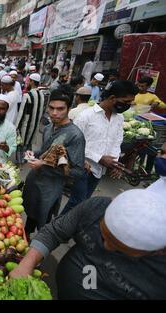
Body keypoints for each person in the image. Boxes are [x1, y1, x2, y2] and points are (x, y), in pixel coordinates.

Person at [10, 189, 166, 299]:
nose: (106, 247)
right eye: (104, 236)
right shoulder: (97, 207)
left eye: (119, 248)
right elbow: (55, 231)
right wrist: (26, 264)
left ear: (158, 251)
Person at [61, 80, 139, 215]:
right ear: (112, 98)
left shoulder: (119, 118)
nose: (127, 106)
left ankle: (69, 228)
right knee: (77, 201)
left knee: (84, 201)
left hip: (99, 171)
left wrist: (114, 162)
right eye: (126, 102)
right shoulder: (86, 116)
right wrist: (99, 158)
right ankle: (56, 230)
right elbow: (72, 145)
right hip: (82, 167)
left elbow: (116, 141)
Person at [23, 89, 85, 234]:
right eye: (51, 108)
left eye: (60, 109)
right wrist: (34, 154)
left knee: (43, 222)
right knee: (30, 215)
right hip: (34, 182)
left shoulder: (75, 136)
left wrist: (44, 164)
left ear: (69, 109)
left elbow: (78, 171)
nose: (54, 113)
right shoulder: (48, 128)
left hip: (50, 188)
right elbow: (46, 151)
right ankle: (26, 237)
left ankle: (40, 249)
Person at [15, 73, 45, 151]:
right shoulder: (41, 94)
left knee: (20, 143)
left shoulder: (27, 95)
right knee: (29, 143)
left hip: (26, 125)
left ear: (32, 82)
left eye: (29, 81)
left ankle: (20, 160)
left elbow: (21, 113)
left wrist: (16, 127)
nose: (27, 82)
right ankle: (26, 157)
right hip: (35, 126)